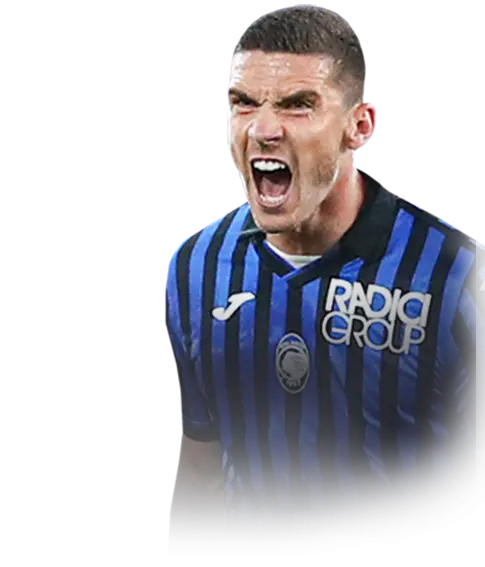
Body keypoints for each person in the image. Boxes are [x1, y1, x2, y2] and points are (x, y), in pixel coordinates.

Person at [166, 6, 485, 559]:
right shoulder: (197, 265)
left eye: (298, 104)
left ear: (359, 127)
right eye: (244, 102)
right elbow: (200, 477)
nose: (264, 129)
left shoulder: (457, 281)